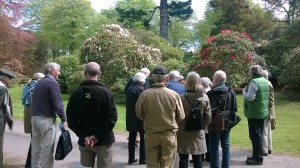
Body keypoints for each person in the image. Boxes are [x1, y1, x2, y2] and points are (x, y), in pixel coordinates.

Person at [67, 62, 118, 168]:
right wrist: (96, 136)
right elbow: (112, 118)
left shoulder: (76, 93)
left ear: (84, 73)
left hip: (86, 141)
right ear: (99, 73)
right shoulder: (105, 93)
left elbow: (71, 120)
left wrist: (85, 136)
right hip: (103, 140)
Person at [135, 65, 185, 168]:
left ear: (153, 77)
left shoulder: (145, 94)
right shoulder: (174, 95)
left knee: (152, 164)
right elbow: (181, 116)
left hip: (151, 134)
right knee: (167, 165)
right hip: (168, 134)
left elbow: (139, 114)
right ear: (166, 78)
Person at [30, 62, 68, 168]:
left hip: (35, 117)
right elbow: (58, 104)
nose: (59, 73)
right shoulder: (52, 83)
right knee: (47, 149)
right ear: (53, 71)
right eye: (58, 70)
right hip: (46, 119)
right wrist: (64, 119)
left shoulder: (39, 82)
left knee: (36, 148)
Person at [177, 71, 212, 168]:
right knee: (198, 158)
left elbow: (177, 115)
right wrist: (202, 124)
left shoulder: (181, 98)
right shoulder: (205, 98)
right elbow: (208, 117)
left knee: (183, 157)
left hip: (183, 130)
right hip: (198, 130)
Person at [207, 70, 237, 168]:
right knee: (226, 146)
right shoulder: (231, 92)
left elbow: (209, 110)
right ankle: (226, 166)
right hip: (227, 121)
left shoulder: (211, 93)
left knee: (214, 147)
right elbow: (235, 108)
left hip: (215, 123)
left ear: (216, 79)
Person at [243, 65, 269, 165]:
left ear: (252, 72)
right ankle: (256, 155)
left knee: (255, 136)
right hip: (262, 111)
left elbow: (250, 97)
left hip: (254, 112)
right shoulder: (265, 80)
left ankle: (257, 159)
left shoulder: (254, 82)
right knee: (259, 135)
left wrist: (244, 92)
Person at [21, 72, 45, 168]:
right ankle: (31, 163)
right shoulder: (36, 87)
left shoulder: (28, 86)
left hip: (28, 111)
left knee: (34, 139)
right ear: (39, 79)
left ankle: (31, 163)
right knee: (36, 139)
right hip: (34, 112)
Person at [125, 72, 146, 165]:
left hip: (130, 117)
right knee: (143, 138)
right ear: (142, 80)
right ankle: (143, 159)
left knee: (132, 138)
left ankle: (131, 158)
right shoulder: (141, 89)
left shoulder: (130, 88)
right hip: (140, 117)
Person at [0, 68, 15, 168]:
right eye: (10, 79)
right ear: (5, 78)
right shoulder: (3, 89)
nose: (11, 81)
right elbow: (5, 106)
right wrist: (10, 120)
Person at [261, 70, 276, 156]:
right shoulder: (269, 83)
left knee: (264, 130)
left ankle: (264, 150)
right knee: (268, 130)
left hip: (267, 111)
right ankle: (269, 148)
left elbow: (270, 100)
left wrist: (265, 109)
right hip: (270, 110)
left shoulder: (266, 84)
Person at [200, 76, 213, 162]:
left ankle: (200, 157)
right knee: (208, 139)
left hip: (204, 118)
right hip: (210, 116)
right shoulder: (212, 91)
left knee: (202, 139)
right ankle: (208, 156)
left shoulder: (203, 93)